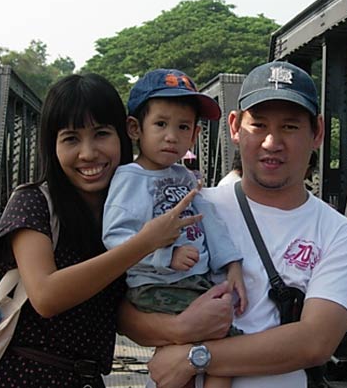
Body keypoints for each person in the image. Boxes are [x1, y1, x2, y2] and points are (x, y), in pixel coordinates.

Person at [120, 61, 347, 388]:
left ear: (317, 132)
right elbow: (125, 311)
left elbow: (315, 341)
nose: (271, 142)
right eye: (260, 125)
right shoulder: (192, 207)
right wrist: (179, 331)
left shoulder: (343, 235)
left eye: (290, 127)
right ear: (235, 127)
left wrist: (195, 355)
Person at [0, 73, 202, 387]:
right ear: (52, 145)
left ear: (126, 134)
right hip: (23, 376)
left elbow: (128, 308)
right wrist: (144, 244)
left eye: (101, 134)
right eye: (71, 138)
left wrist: (186, 326)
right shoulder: (33, 203)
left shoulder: (131, 212)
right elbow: (45, 295)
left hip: (88, 379)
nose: (88, 153)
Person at [103, 69, 247, 388]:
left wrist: (232, 265)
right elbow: (116, 240)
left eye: (183, 127)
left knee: (204, 352)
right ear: (134, 128)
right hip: (156, 286)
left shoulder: (184, 176)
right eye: (160, 124)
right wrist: (167, 255)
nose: (172, 136)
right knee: (226, 343)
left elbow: (211, 223)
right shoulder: (130, 178)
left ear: (194, 136)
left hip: (191, 282)